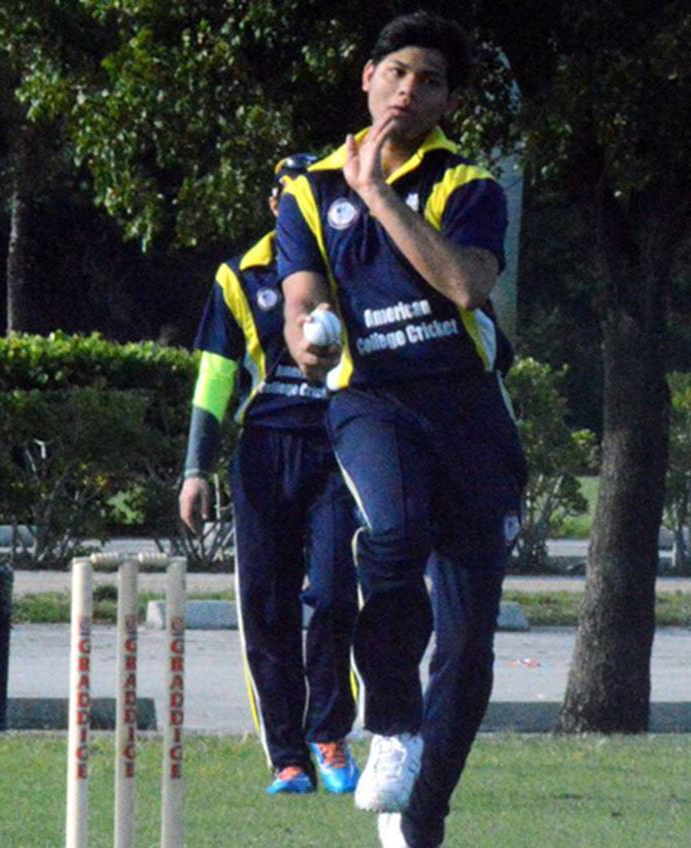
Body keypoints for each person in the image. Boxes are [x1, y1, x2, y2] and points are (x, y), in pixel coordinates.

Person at [275, 12, 526, 848]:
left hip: (464, 410)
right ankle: (389, 720)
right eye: (397, 73)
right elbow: (301, 301)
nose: (408, 90)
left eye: (429, 80)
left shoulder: (468, 187)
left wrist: (378, 191)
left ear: (449, 100)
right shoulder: (309, 189)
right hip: (371, 401)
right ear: (367, 76)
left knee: (466, 649)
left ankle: (422, 817)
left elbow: (462, 283)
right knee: (393, 529)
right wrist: (310, 344)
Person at [178, 154, 361, 796]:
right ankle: (288, 757)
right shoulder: (240, 275)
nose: (295, 210)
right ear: (274, 206)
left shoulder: (350, 265)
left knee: (337, 594)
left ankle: (330, 733)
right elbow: (216, 378)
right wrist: (195, 468)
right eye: (287, 200)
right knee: (266, 605)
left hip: (339, 446)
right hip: (264, 452)